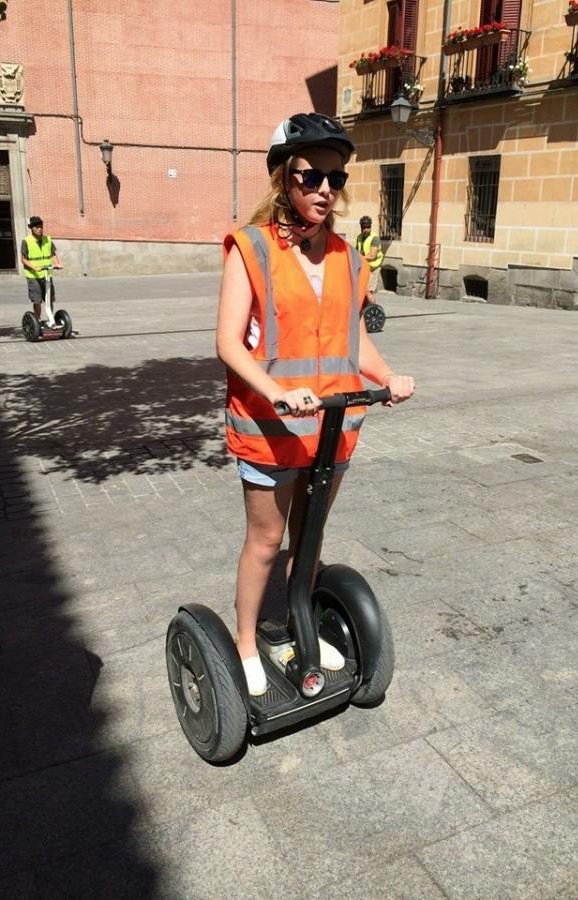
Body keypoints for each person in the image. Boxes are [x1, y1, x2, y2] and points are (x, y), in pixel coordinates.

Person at [216, 112, 415, 696]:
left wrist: (387, 373)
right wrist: (277, 390)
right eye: (310, 176)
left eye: (334, 177)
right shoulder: (249, 248)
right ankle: (248, 641)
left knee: (309, 539)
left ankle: (297, 623)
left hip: (334, 427)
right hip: (270, 426)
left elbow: (355, 338)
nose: (324, 188)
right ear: (284, 178)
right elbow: (229, 342)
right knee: (266, 541)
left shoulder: (350, 258)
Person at [21, 216, 62, 322]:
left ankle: (51, 320)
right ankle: (37, 322)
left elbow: (52, 254)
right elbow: (23, 259)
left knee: (49, 299)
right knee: (37, 300)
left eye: (41, 227)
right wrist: (34, 267)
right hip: (33, 276)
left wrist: (58, 263)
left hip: (47, 274)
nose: (40, 229)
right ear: (32, 228)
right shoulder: (26, 241)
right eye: (37, 227)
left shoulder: (47, 239)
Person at [355, 215, 384, 304]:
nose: (366, 229)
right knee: (361, 290)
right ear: (361, 227)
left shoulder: (374, 238)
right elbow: (357, 251)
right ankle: (365, 310)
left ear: (370, 226)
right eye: (364, 227)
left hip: (373, 268)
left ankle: (373, 310)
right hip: (364, 267)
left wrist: (360, 257)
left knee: (368, 291)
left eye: (368, 227)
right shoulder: (359, 237)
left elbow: (372, 255)